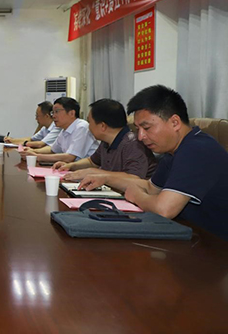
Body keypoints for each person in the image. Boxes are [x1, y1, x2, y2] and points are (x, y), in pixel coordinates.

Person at [78, 85, 228, 240]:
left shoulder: (197, 149)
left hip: (216, 245)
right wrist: (105, 178)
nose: (141, 137)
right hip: (190, 234)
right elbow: (151, 188)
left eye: (147, 128)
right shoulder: (172, 152)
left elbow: (164, 209)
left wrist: (136, 196)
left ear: (175, 122)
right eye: (138, 129)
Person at [52, 99, 157, 179]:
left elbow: (133, 178)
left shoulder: (133, 144)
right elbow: (92, 161)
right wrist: (70, 166)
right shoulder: (106, 142)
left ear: (103, 126)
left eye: (90, 122)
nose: (88, 127)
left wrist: (95, 173)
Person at [20, 97, 99, 163]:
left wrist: (37, 156)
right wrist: (32, 151)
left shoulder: (82, 127)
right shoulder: (64, 129)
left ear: (71, 113)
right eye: (53, 112)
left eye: (57, 112)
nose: (53, 116)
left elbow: (70, 157)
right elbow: (52, 149)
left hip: (87, 171)